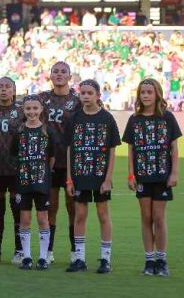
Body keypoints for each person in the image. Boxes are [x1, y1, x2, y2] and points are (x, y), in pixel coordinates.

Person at [123, 79, 180, 277]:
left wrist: (174, 173)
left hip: (162, 176)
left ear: (157, 94)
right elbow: (131, 150)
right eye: (142, 92)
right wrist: (131, 175)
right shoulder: (134, 120)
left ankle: (161, 260)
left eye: (149, 92)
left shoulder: (167, 118)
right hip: (142, 177)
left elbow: (173, 148)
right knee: (146, 217)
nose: (145, 95)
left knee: (158, 217)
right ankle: (149, 260)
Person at [65, 80, 121, 274]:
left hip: (99, 176)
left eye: (90, 93)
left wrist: (108, 178)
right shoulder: (74, 118)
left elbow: (112, 151)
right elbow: (70, 150)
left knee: (103, 214)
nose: (86, 96)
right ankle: (79, 259)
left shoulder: (107, 118)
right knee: (80, 215)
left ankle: (105, 259)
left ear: (98, 95)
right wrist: (69, 179)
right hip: (80, 175)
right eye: (83, 93)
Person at [39, 61, 80, 263]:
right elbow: (19, 102)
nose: (59, 74)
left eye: (63, 71)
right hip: (49, 160)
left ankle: (75, 251)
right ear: (50, 75)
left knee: (73, 206)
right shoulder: (43, 98)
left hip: (72, 161)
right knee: (51, 206)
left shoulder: (77, 100)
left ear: (69, 76)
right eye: (55, 71)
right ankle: (48, 251)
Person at [11, 95, 58, 270]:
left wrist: (44, 172)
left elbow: (52, 157)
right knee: (25, 218)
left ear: (41, 109)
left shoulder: (48, 131)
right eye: (28, 109)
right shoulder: (19, 131)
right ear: (23, 110)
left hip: (42, 182)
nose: (32, 112)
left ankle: (43, 257)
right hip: (23, 181)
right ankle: (27, 257)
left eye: (35, 108)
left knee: (43, 218)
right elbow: (15, 154)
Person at [0, 77, 24, 264]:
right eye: (0, 86)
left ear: (14, 90)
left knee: (18, 210)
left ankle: (19, 250)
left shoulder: (22, 110)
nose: (3, 89)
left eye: (7, 86)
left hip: (16, 168)